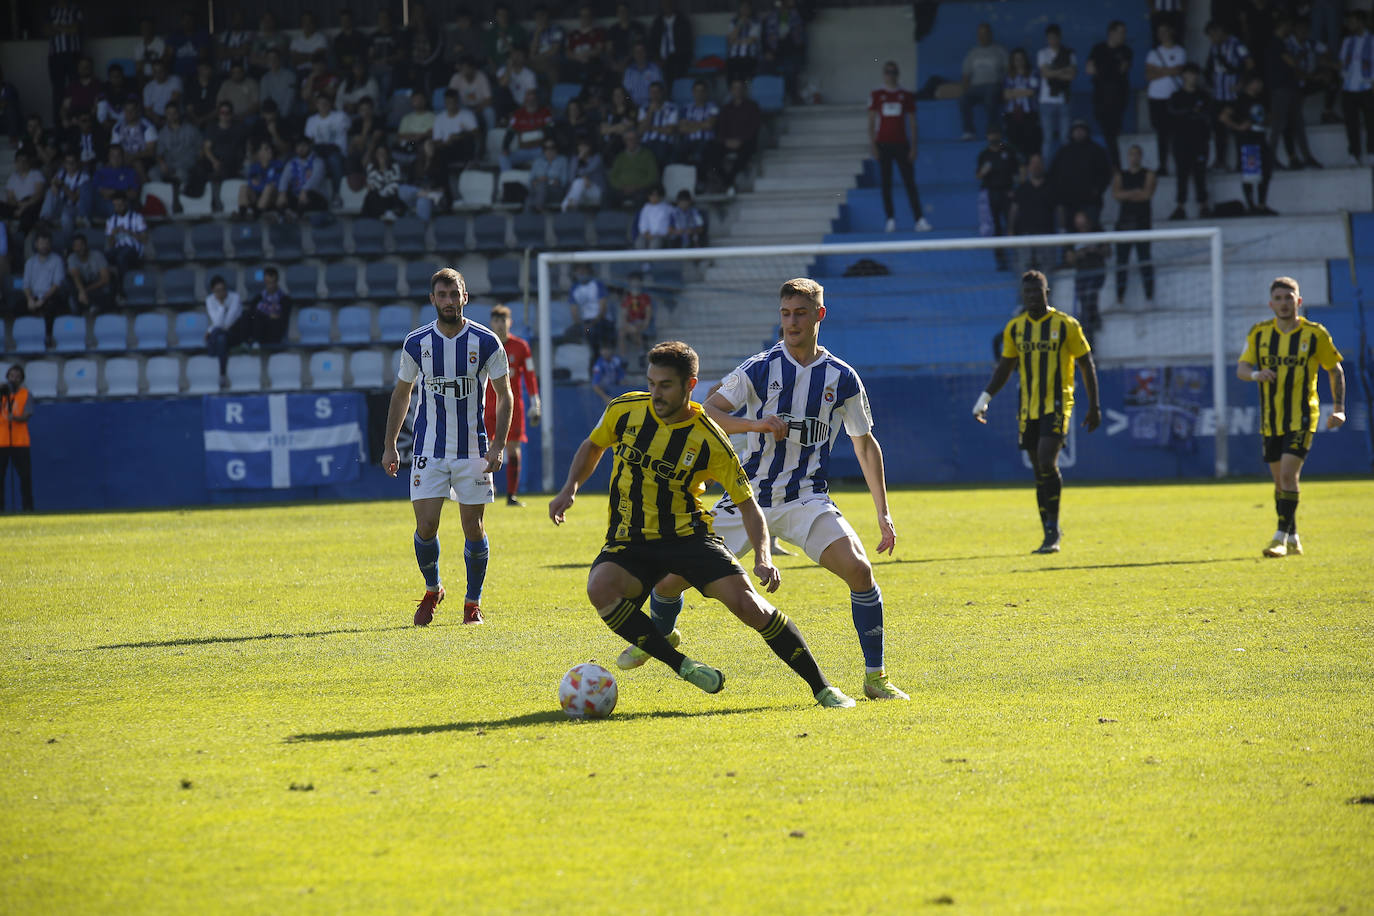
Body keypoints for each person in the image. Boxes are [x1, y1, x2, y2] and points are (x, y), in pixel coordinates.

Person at [632, 281, 908, 700]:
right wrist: (757, 425)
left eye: (800, 313)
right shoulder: (761, 367)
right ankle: (662, 636)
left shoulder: (842, 378)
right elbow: (711, 409)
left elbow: (865, 443)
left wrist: (883, 513)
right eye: (785, 313)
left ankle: (876, 678)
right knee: (668, 583)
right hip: (747, 500)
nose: (791, 322)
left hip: (806, 499)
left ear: (819, 315)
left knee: (860, 572)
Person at [548, 340, 857, 708]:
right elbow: (593, 445)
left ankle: (823, 688)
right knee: (600, 588)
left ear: (689, 385)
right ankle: (683, 666)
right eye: (651, 383)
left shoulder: (710, 437)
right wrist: (570, 488)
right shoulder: (625, 410)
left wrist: (763, 557)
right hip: (631, 539)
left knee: (751, 608)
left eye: (665, 385)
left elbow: (748, 506)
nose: (655, 393)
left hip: (688, 539)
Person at [381, 267, 513, 627]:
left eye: (455, 295)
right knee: (425, 526)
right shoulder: (417, 342)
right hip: (428, 449)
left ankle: (473, 602)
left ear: (465, 298)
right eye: (443, 295)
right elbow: (402, 393)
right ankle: (432, 588)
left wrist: (498, 446)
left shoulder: (486, 342)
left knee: (474, 528)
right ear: (433, 300)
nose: (450, 301)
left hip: (473, 450)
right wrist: (390, 445)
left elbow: (505, 396)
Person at [972, 270, 1101, 553]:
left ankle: (1053, 531)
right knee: (1038, 469)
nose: (1031, 297)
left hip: (1057, 403)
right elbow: (1005, 368)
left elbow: (1086, 363)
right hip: (1027, 406)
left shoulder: (1066, 325)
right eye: (1027, 293)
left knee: (1045, 460)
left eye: (1036, 292)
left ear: (1047, 293)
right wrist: (984, 398)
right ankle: (1048, 530)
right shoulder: (1016, 328)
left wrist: (1094, 405)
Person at [1236, 276, 1346, 557]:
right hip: (1271, 419)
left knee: (1288, 475)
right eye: (1279, 299)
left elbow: (1334, 370)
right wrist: (1256, 374)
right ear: (1271, 303)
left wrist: (1338, 409)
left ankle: (1279, 538)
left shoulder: (1314, 334)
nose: (1284, 303)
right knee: (1279, 483)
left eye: (1289, 298)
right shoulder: (1260, 333)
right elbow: (1242, 368)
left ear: (1298, 301)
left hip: (1302, 416)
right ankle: (1294, 535)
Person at [484, 304, 540, 506]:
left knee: (513, 449)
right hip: (488, 405)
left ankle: (511, 495)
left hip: (512, 407)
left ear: (510, 322)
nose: (500, 325)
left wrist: (536, 401)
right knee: (485, 448)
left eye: (503, 320)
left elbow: (530, 375)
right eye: (496, 321)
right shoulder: (485, 345)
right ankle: (486, 488)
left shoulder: (521, 347)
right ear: (492, 323)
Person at [869, 61, 931, 234]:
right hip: (883, 144)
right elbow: (871, 121)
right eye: (888, 72)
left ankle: (919, 219)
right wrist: (873, 145)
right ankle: (890, 219)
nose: (891, 75)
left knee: (909, 183)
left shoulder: (906, 95)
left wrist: (914, 147)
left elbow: (912, 123)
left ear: (898, 74)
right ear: (884, 74)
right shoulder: (877, 94)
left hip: (901, 144)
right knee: (886, 183)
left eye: (894, 72)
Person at [1221, 74, 1278, 214]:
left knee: (1266, 171)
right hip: (1247, 140)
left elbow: (1269, 116)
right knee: (1250, 174)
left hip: (1261, 138)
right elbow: (1223, 117)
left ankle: (1262, 204)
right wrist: (1238, 126)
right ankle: (1251, 205)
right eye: (1256, 81)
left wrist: (1266, 120)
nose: (1259, 85)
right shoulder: (1239, 100)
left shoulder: (1262, 99)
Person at [1267, 18, 1317, 169]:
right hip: (1281, 89)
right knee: (1278, 125)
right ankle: (1270, 158)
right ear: (1282, 25)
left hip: (1291, 88)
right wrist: (1308, 73)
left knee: (1298, 125)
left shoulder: (1281, 43)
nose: (1290, 28)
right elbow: (1292, 62)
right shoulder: (1275, 43)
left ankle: (1307, 157)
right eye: (1288, 25)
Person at [1112, 145, 1157, 306]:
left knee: (1144, 259)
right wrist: (1135, 192)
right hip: (1124, 223)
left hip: (1143, 222)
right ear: (1128, 157)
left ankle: (1150, 297)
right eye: (1131, 154)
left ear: (1141, 156)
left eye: (1137, 154)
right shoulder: (1120, 175)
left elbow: (1146, 195)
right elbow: (1116, 194)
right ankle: (1119, 298)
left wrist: (1127, 195)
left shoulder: (1149, 174)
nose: (1134, 158)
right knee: (1121, 261)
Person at [1204, 20, 1252, 170]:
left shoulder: (1237, 44)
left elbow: (1250, 64)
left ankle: (1241, 163)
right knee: (1218, 129)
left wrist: (1242, 83)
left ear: (1220, 31)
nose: (1211, 39)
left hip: (1234, 96)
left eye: (1213, 35)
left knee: (1238, 129)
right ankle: (1220, 160)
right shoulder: (1214, 47)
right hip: (1219, 95)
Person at [1086, 21, 1133, 170]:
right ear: (1111, 33)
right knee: (1107, 132)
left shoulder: (1126, 50)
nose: (1123, 36)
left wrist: (1103, 71)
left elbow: (1122, 69)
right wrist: (1107, 71)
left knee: (1113, 131)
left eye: (1124, 32)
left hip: (1118, 97)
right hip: (1101, 96)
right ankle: (1113, 164)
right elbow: (1090, 69)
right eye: (1121, 32)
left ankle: (1115, 164)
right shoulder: (1098, 49)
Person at [1049, 120, 1112, 228]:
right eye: (1076, 130)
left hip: (1091, 202)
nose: (1079, 132)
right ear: (1072, 133)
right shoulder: (1063, 152)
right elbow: (1053, 175)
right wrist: (1059, 196)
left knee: (1092, 233)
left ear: (1087, 132)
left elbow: (1106, 174)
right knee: (1069, 237)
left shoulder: (1097, 151)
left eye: (1081, 130)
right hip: (1068, 203)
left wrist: (1097, 190)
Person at [1169, 63, 1213, 219]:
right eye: (1189, 74)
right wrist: (1191, 112)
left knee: (1200, 173)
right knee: (1182, 174)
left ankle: (1203, 205)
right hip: (1181, 141)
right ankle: (1180, 206)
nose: (1192, 77)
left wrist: (1191, 114)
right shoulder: (1176, 97)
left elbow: (1207, 116)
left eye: (1195, 74)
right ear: (1183, 76)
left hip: (1200, 140)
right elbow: (1174, 115)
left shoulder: (1203, 96)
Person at [1145, 23, 1186, 176]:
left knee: (1177, 133)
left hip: (1174, 97)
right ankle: (1162, 165)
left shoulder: (1180, 51)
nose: (1163, 34)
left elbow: (1179, 70)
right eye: (1160, 31)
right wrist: (1169, 71)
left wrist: (1159, 70)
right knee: (1161, 133)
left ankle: (1180, 164)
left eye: (1165, 30)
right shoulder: (1153, 53)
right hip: (1156, 97)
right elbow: (1149, 75)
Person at [976, 124, 1019, 270]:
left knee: (1012, 225)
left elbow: (1018, 171)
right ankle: (1000, 258)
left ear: (1000, 135)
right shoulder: (984, 155)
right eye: (991, 134)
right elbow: (978, 176)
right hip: (991, 194)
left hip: (1008, 192)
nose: (993, 137)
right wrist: (984, 171)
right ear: (987, 137)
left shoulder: (1007, 150)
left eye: (996, 134)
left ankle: (1016, 257)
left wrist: (1016, 189)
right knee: (996, 228)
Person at [1037, 25, 1077, 165]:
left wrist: (1053, 72)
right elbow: (1045, 74)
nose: (1052, 40)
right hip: (1046, 100)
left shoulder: (1069, 53)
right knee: (1047, 138)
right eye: (1050, 38)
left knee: (1065, 138)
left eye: (1055, 37)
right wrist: (1062, 71)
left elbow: (1071, 76)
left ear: (1059, 37)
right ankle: (1046, 170)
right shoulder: (1043, 53)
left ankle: (1066, 167)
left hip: (1063, 100)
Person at [960, 23, 1008, 140]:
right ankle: (969, 131)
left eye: (985, 33)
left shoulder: (1000, 50)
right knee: (963, 99)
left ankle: (993, 131)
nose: (983, 36)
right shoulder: (973, 53)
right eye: (980, 34)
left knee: (990, 96)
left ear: (990, 34)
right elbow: (966, 75)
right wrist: (965, 90)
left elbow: (1008, 71)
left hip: (994, 85)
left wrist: (1006, 88)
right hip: (975, 87)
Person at [1340, 10, 1374, 167]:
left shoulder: (1372, 40)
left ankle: (1371, 153)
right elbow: (1342, 62)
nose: (1350, 24)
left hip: (1367, 86)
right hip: (1349, 88)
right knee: (1351, 124)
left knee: (1370, 122)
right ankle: (1354, 154)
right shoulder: (1347, 41)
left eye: (1352, 21)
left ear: (1361, 22)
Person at [22, 231, 67, 347]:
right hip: (33, 297)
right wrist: (29, 300)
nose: (44, 246)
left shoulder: (57, 260)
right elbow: (26, 284)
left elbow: (57, 284)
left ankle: (48, 337)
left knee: (51, 307)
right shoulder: (30, 262)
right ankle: (23, 338)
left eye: (47, 243)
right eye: (42, 243)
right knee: (17, 307)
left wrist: (42, 300)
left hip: (50, 296)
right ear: (36, 244)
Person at [0, 364, 34, 512]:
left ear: (21, 379)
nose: (14, 379)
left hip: (20, 441)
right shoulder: (1, 395)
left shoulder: (26, 394)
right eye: (11, 376)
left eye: (17, 377)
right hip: (2, 440)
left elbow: (27, 415)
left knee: (24, 476)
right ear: (7, 377)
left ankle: (28, 507)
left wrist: (16, 418)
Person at [718, 78, 762, 191]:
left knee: (747, 150)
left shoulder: (752, 106)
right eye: (735, 88)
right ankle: (727, 181)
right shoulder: (726, 108)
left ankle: (728, 181)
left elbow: (754, 127)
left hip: (745, 142)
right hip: (728, 143)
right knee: (711, 151)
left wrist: (740, 140)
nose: (737, 91)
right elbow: (720, 128)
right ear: (731, 90)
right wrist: (726, 141)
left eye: (740, 88)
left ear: (744, 90)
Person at [103, 192, 146, 302]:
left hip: (133, 249)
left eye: (120, 205)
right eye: (115, 206)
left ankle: (123, 290)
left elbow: (144, 239)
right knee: (103, 258)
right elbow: (110, 244)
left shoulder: (137, 217)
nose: (117, 208)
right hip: (117, 249)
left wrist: (129, 232)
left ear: (126, 204)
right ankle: (108, 292)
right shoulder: (111, 220)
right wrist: (113, 234)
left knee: (122, 257)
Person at [1002, 47, 1042, 162]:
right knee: (1012, 139)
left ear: (1025, 60)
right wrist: (1023, 91)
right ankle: (1017, 164)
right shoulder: (1008, 76)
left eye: (1021, 58)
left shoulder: (1033, 73)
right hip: (1011, 114)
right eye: (1016, 59)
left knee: (1030, 139)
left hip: (1029, 113)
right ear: (1012, 61)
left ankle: (1030, 163)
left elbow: (1032, 92)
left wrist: (1013, 92)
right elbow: (1005, 95)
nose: (1018, 61)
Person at [204, 274, 245, 385]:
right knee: (221, 338)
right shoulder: (209, 300)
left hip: (234, 332)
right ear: (213, 291)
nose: (221, 293)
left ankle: (211, 349)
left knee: (217, 334)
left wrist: (210, 330)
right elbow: (218, 322)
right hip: (221, 335)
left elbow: (228, 322)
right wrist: (222, 306)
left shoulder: (235, 297)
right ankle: (222, 374)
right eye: (218, 291)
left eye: (223, 289)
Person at [566, 262, 615, 352]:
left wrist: (590, 324)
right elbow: (574, 312)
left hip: (601, 321)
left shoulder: (598, 285)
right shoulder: (574, 288)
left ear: (589, 270)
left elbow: (603, 309)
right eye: (579, 269)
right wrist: (581, 324)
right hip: (585, 323)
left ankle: (596, 357)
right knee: (569, 333)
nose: (581, 272)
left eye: (584, 269)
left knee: (591, 331)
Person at [275, 138, 328, 218]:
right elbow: (284, 179)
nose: (301, 149)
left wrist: (304, 190)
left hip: (316, 197)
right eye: (298, 146)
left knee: (307, 194)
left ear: (309, 146)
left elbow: (315, 179)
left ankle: (295, 216)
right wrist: (282, 193)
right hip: (298, 197)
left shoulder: (318, 162)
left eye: (303, 146)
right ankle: (283, 218)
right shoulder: (292, 163)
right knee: (284, 195)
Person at [608, 129, 659, 207]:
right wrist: (622, 187)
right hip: (622, 189)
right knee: (608, 195)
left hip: (640, 189)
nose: (631, 141)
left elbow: (653, 176)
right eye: (628, 139)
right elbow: (612, 177)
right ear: (625, 141)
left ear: (638, 140)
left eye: (633, 139)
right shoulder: (620, 157)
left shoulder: (648, 155)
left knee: (643, 196)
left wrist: (636, 187)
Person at [42, 150, 90, 234]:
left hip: (75, 208)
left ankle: (68, 242)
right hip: (60, 205)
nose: (70, 165)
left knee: (65, 217)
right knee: (50, 191)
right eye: (68, 162)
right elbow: (54, 192)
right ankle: (44, 219)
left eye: (73, 162)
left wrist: (63, 185)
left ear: (77, 163)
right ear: (64, 163)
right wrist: (54, 185)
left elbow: (74, 198)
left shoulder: (84, 177)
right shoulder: (61, 173)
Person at [244, 266, 292, 346]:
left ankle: (256, 341)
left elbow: (283, 319)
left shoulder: (285, 300)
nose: (269, 285)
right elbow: (252, 313)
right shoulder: (258, 298)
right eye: (267, 282)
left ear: (276, 282)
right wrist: (269, 315)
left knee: (259, 315)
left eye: (271, 283)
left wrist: (267, 315)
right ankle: (247, 342)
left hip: (274, 331)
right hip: (259, 327)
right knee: (246, 314)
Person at [65, 233, 112, 315]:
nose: (79, 248)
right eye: (76, 246)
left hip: (96, 285)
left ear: (86, 245)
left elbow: (105, 278)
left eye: (81, 245)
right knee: (68, 281)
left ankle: (92, 307)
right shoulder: (72, 258)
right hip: (82, 285)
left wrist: (84, 291)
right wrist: (81, 291)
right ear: (73, 248)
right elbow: (75, 276)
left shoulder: (97, 255)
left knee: (107, 287)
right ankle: (88, 307)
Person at [649, 0, 694, 85]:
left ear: (674, 4)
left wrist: (669, 59)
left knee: (671, 67)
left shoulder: (683, 21)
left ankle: (671, 95)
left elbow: (686, 45)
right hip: (659, 59)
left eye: (669, 3)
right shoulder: (657, 22)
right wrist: (656, 59)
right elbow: (652, 44)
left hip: (678, 59)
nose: (667, 5)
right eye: (664, 3)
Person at [1, 152, 47, 234]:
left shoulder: (36, 174)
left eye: (24, 161)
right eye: (19, 161)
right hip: (18, 205)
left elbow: (39, 194)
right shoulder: (12, 177)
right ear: (16, 163)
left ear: (28, 162)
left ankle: (21, 234)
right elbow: (10, 197)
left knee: (30, 208)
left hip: (32, 204)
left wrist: (24, 207)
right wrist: (19, 206)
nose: (22, 163)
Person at [237, 141, 282, 218]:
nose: (270, 151)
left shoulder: (278, 165)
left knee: (268, 188)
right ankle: (242, 215)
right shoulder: (254, 167)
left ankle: (257, 217)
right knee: (243, 187)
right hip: (257, 196)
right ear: (259, 153)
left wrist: (261, 184)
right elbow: (251, 183)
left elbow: (277, 184)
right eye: (266, 149)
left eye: (270, 149)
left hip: (272, 198)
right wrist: (261, 185)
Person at [617, 271, 653, 360]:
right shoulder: (627, 298)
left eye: (637, 282)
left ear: (641, 283)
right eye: (632, 282)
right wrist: (627, 324)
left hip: (641, 321)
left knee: (636, 328)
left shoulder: (645, 297)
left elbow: (648, 312)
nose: (635, 284)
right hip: (630, 323)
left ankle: (641, 352)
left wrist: (646, 323)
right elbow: (624, 315)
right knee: (621, 333)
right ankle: (624, 357)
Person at [528, 139, 570, 212]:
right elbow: (531, 181)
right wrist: (539, 180)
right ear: (543, 150)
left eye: (552, 148)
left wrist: (547, 181)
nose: (549, 150)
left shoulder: (562, 160)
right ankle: (539, 207)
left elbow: (563, 181)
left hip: (554, 191)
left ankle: (538, 208)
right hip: (538, 190)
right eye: (546, 148)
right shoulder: (537, 161)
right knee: (540, 187)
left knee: (541, 187)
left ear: (556, 149)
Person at [727, 0, 762, 85]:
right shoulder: (734, 21)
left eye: (747, 8)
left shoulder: (756, 22)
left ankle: (746, 90)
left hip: (750, 56)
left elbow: (751, 40)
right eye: (742, 7)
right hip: (734, 56)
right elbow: (731, 39)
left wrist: (736, 41)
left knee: (746, 74)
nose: (744, 10)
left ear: (750, 9)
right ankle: (732, 92)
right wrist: (739, 24)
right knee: (729, 69)